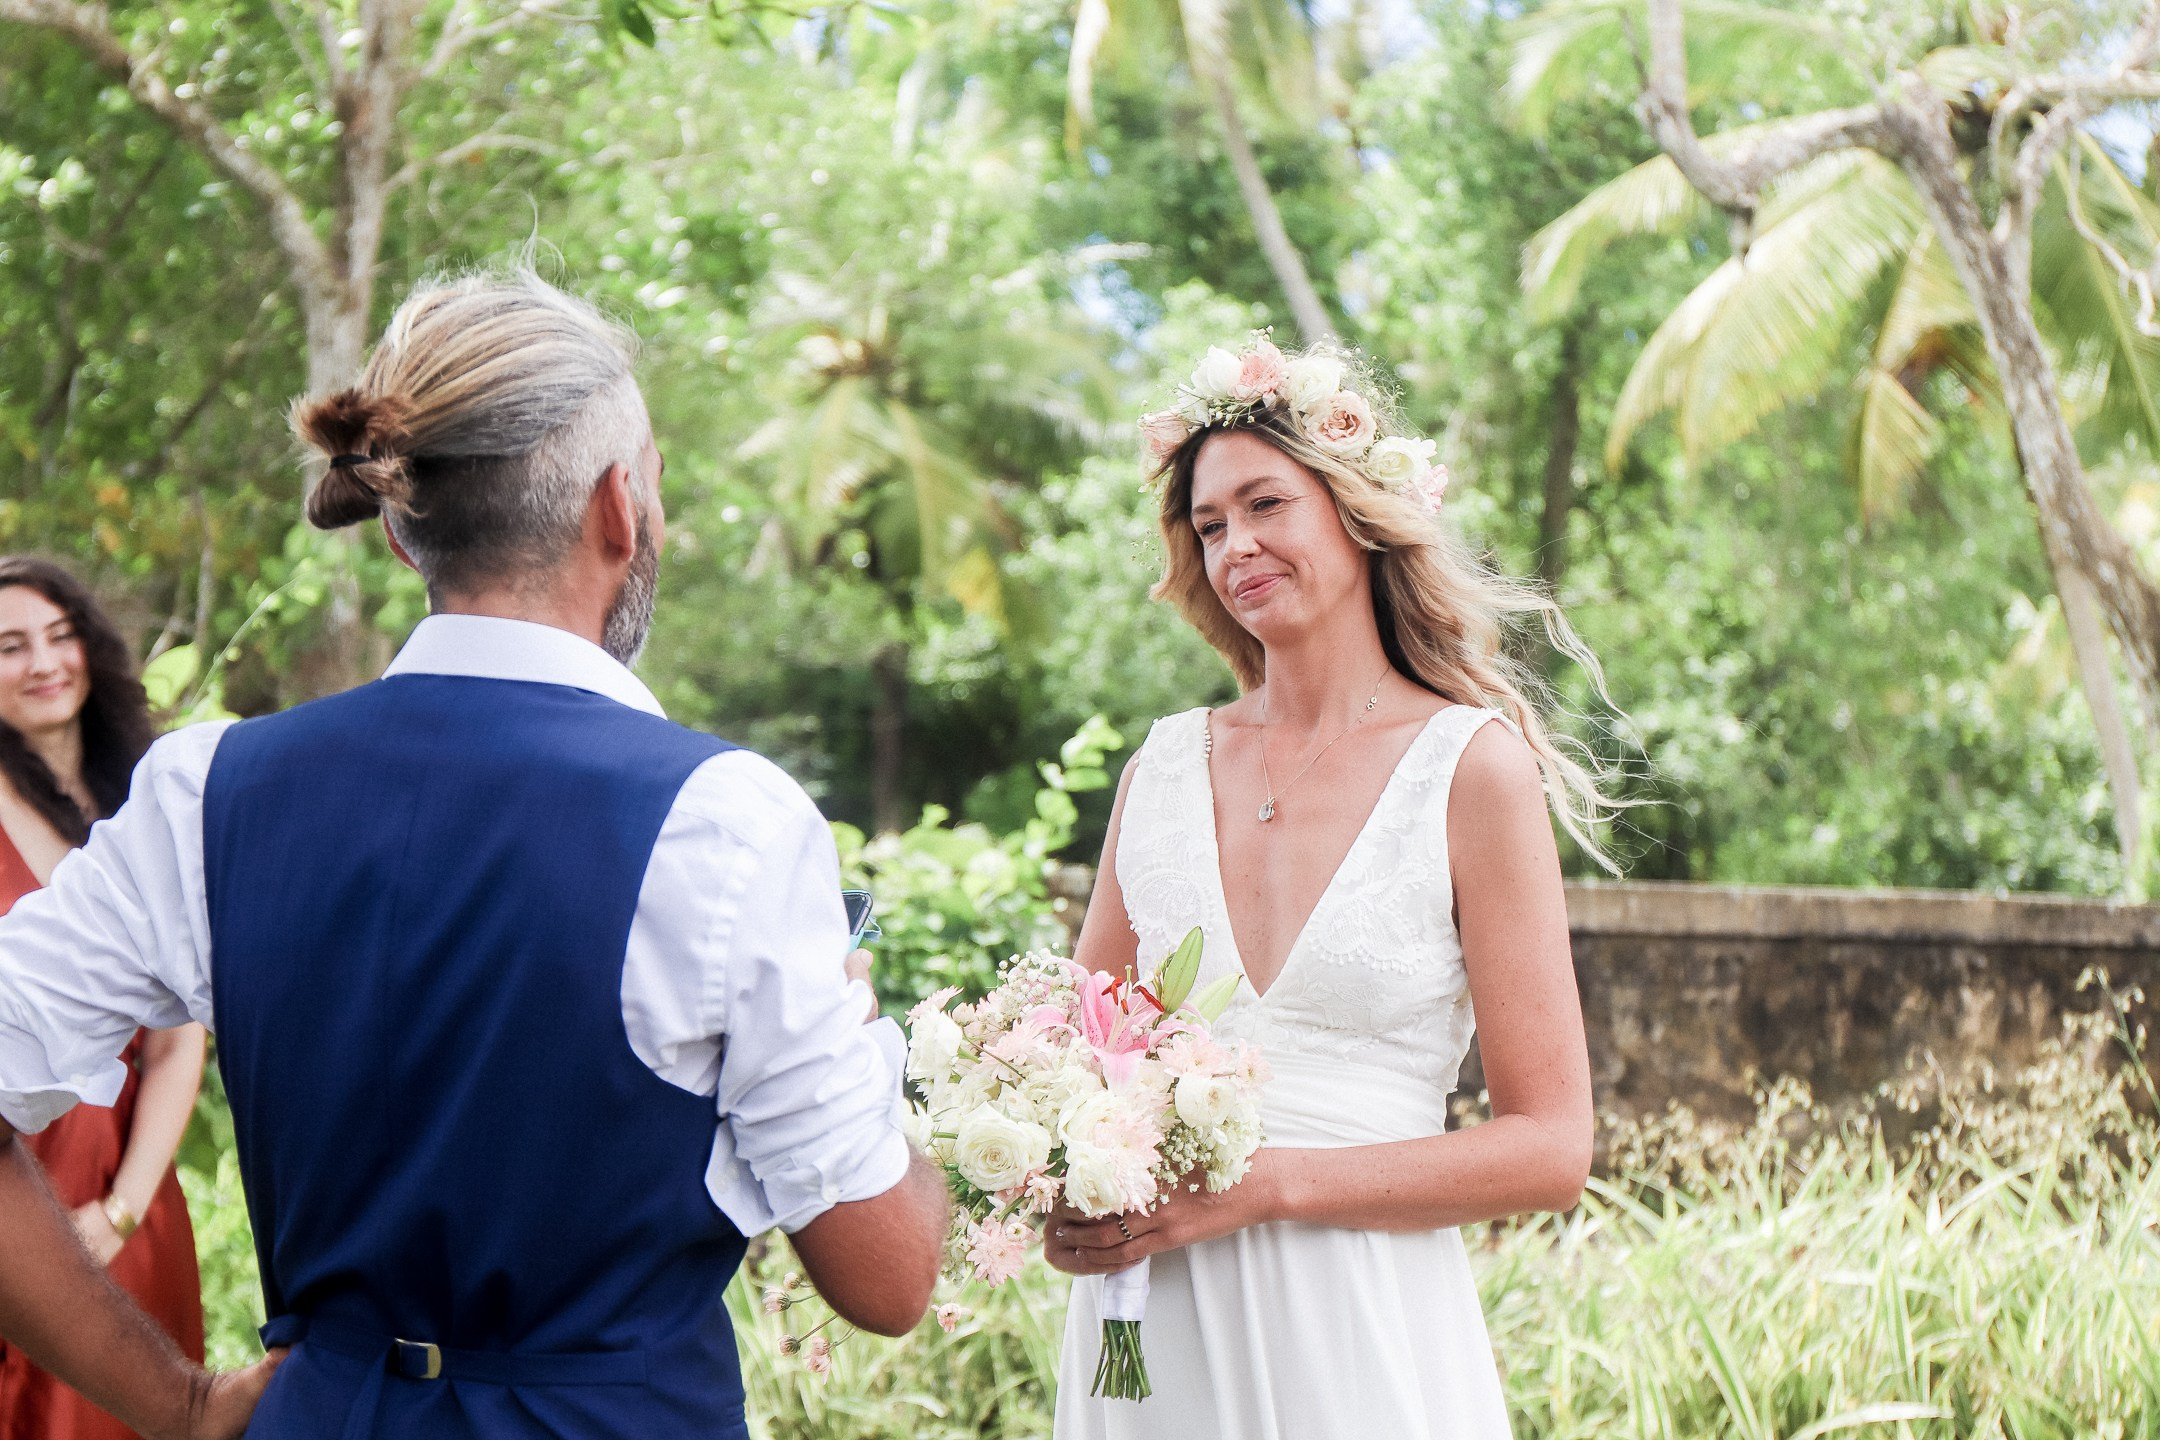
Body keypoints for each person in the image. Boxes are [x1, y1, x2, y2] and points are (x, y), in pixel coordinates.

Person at [0, 269, 948, 1440]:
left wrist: (180, 1406)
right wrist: (855, 1037)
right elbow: (889, 1279)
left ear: (400, 530)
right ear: (620, 507)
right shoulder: (726, 821)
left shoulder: (208, 790)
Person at [1046, 338, 1609, 1438]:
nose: (1235, 546)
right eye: (1209, 527)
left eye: (1265, 505)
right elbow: (1069, 1061)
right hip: (1159, 1338)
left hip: (1362, 1328)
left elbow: (1553, 1148)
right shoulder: (1159, 771)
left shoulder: (1471, 769)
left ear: (1356, 511)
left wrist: (1268, 1185)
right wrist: (1060, 1185)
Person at [0, 557, 208, 1440]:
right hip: (16, 1175)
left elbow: (177, 1038)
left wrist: (121, 1211)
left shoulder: (149, 796)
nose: (44, 662)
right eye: (10, 646)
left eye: (60, 635)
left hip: (131, 1181)